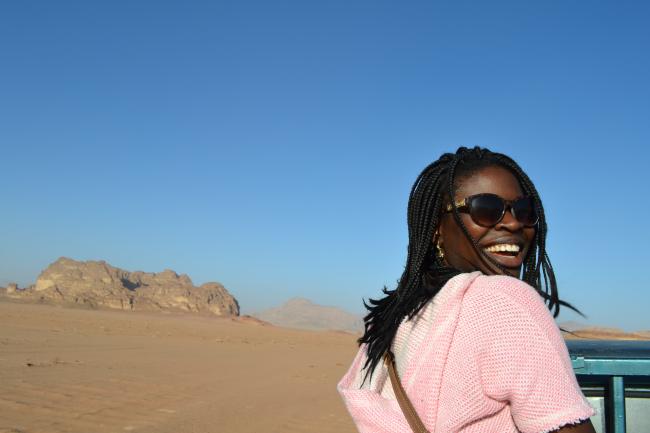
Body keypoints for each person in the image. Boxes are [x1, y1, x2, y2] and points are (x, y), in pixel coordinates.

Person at [338, 147, 596, 433]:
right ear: (437, 227)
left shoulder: (401, 313)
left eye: (524, 210)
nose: (512, 223)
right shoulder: (505, 302)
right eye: (486, 209)